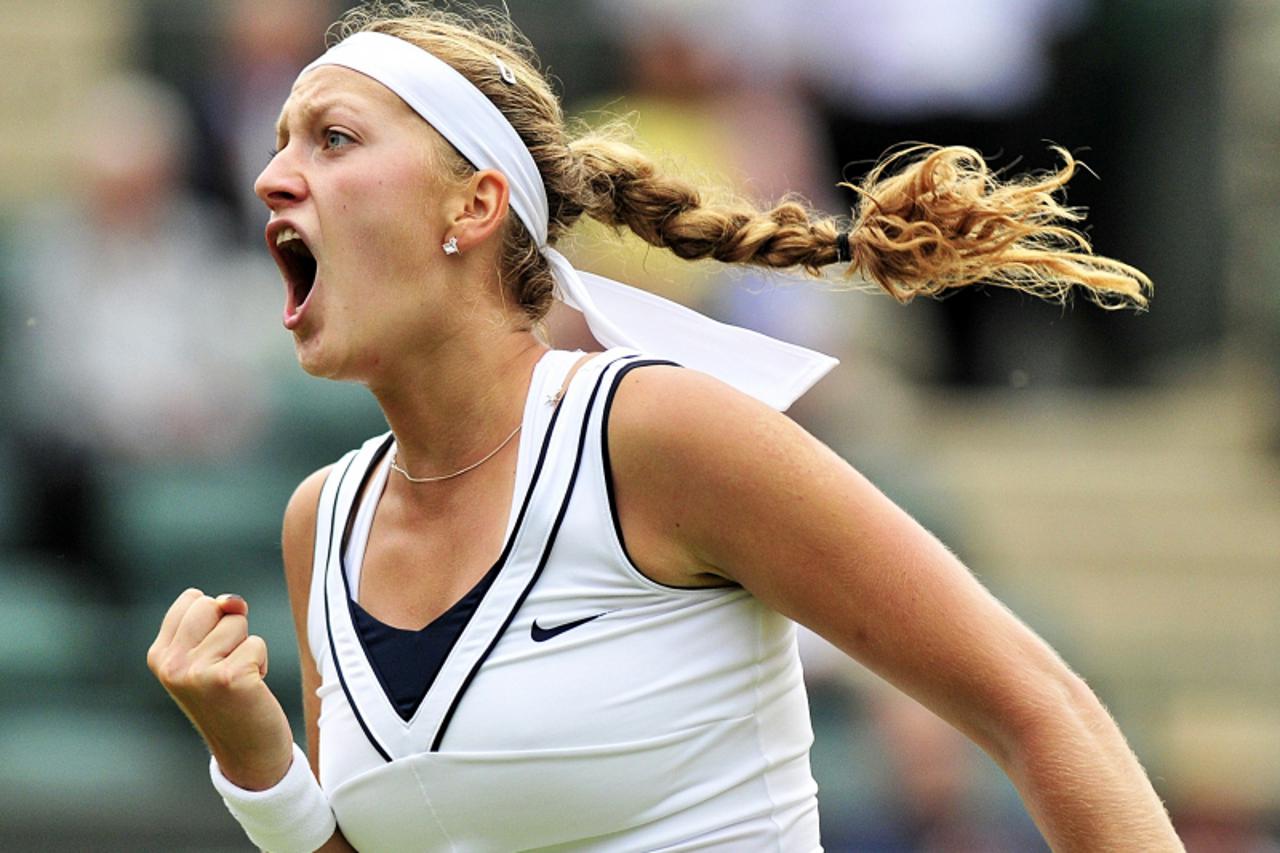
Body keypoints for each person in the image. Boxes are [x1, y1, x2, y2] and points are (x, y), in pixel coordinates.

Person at [147, 3, 1184, 850]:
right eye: (281, 141)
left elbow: (1039, 709)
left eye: (332, 138)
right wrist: (257, 764)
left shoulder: (659, 432)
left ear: (471, 208)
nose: (271, 176)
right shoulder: (320, 521)